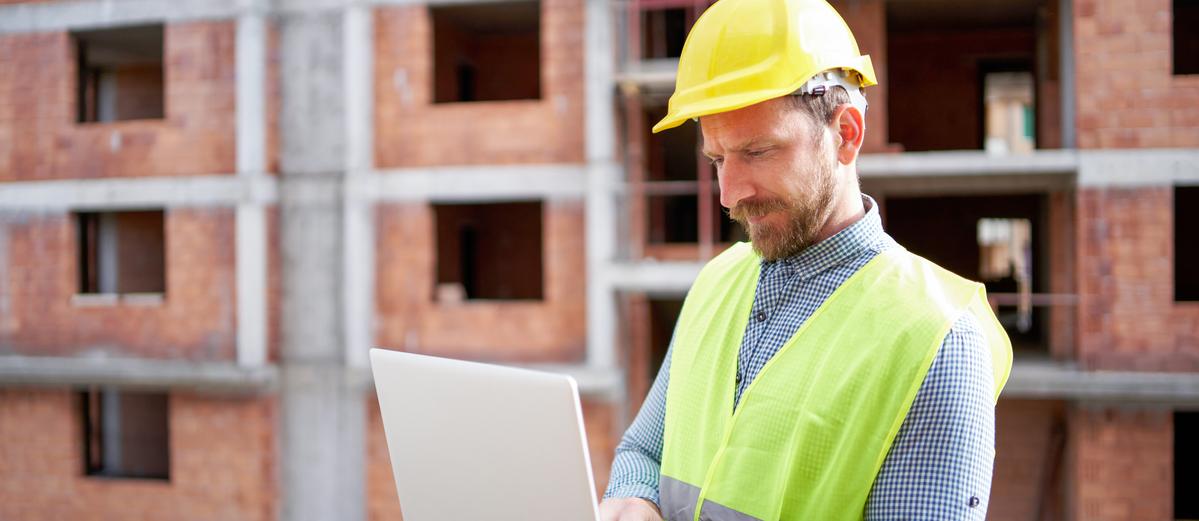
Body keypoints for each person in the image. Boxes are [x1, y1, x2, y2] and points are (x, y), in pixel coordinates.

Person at [598, 0, 1013, 520]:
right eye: (717, 159)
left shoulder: (937, 341)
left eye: (758, 152)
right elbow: (644, 450)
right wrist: (636, 498)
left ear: (847, 133)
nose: (729, 195)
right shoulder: (718, 282)